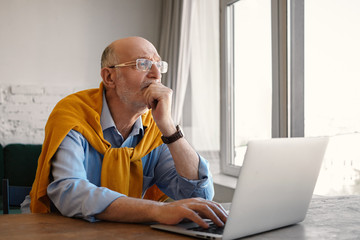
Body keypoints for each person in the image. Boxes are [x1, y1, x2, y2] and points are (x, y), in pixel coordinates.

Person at [22, 36, 227, 228]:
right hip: (58, 228)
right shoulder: (73, 114)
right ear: (109, 77)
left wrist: (169, 127)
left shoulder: (156, 128)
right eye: (143, 64)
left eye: (159, 65)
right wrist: (157, 211)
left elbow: (199, 193)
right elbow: (69, 192)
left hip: (123, 230)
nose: (156, 74)